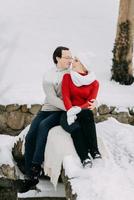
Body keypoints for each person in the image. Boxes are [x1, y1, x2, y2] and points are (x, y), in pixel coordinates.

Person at [19, 46, 73, 193]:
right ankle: (30, 178)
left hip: (60, 112)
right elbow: (51, 98)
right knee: (30, 137)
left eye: (70, 57)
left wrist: (70, 109)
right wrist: (69, 107)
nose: (70, 60)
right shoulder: (49, 75)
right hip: (48, 109)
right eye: (67, 57)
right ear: (57, 58)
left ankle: (36, 167)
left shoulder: (72, 73)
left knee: (44, 126)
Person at [60, 56, 101, 168]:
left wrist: (78, 109)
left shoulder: (94, 83)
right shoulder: (67, 77)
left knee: (87, 113)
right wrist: (71, 111)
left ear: (84, 64)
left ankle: (94, 151)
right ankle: (85, 158)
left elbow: (90, 102)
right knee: (75, 127)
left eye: (76, 60)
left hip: (83, 112)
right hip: (67, 113)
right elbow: (66, 97)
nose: (72, 62)